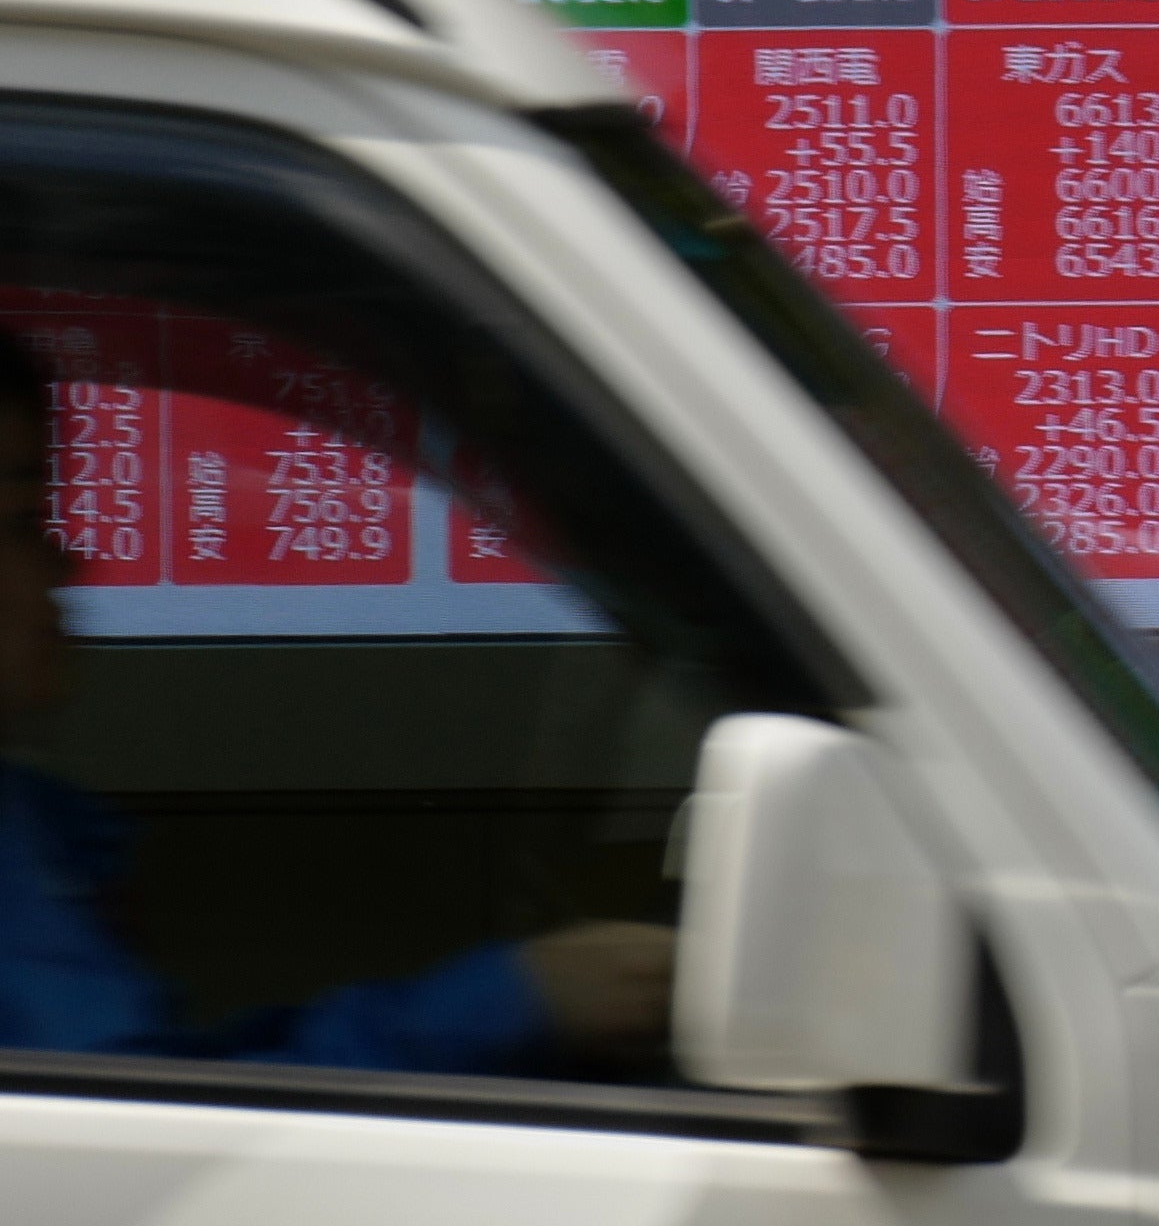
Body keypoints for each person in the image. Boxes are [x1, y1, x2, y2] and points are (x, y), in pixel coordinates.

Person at [0, 340, 672, 1077]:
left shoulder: (39, 827)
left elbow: (172, 1084)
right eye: (23, 521)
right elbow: (134, 1126)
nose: (67, 562)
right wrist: (517, 1000)